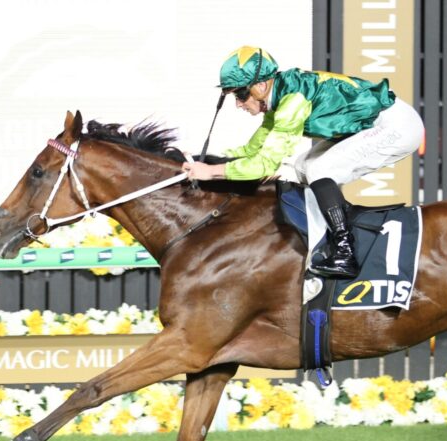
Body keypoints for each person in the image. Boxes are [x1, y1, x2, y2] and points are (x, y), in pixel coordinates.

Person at [182, 46, 425, 279]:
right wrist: (204, 161)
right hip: (376, 124)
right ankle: (332, 233)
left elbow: (264, 165)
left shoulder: (292, 102)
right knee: (302, 167)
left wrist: (211, 173)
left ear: (261, 86)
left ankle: (345, 252)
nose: (238, 104)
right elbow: (251, 151)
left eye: (241, 94)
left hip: (397, 127)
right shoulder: (278, 97)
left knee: (320, 169)